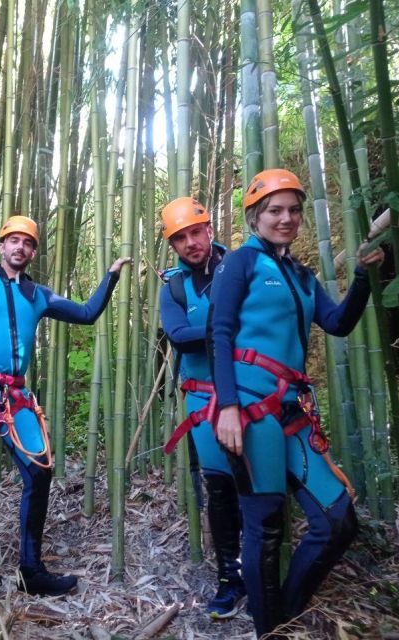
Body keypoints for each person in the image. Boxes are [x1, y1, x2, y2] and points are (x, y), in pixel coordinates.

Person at [210, 169, 385, 637]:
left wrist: (364, 276)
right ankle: (268, 627)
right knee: (265, 526)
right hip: (249, 411)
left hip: (294, 413)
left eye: (293, 210)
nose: (285, 218)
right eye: (274, 210)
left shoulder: (302, 275)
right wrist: (227, 405)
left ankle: (283, 611)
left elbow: (338, 322)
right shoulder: (239, 264)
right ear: (254, 217)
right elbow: (220, 333)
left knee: (338, 522)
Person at [0, 215, 132, 598]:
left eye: (27, 243)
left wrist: (111, 276)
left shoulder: (39, 295)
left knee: (39, 472)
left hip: (14, 395)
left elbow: (86, 314)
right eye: (13, 240)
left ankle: (31, 571)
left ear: (33, 252)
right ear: (1, 246)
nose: (20, 247)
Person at [158, 197, 245, 619]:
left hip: (252, 392)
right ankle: (230, 578)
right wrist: (229, 325)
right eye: (181, 238)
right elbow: (179, 335)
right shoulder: (174, 287)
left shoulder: (244, 266)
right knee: (219, 485)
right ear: (173, 245)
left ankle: (265, 568)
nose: (191, 242)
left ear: (210, 230)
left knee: (262, 482)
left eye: (196, 232)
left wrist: (210, 329)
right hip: (203, 398)